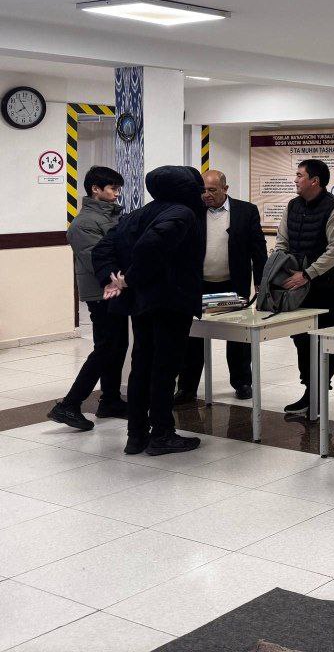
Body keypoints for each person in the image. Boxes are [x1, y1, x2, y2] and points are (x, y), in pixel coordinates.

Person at [93, 165, 207, 456]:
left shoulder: (137, 214)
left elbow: (102, 249)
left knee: (141, 367)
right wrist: (130, 278)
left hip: (142, 304)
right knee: (165, 369)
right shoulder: (183, 213)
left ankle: (136, 435)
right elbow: (151, 245)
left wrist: (113, 278)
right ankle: (162, 434)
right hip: (170, 302)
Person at [175, 169, 268, 403]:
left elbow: (258, 248)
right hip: (199, 285)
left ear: (225, 189)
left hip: (231, 284)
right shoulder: (192, 211)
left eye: (212, 190)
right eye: (203, 190)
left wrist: (261, 281)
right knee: (192, 337)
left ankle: (242, 382)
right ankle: (186, 387)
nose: (206, 195)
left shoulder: (246, 211)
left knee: (237, 336)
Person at [47, 166, 128, 431]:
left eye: (118, 189)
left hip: (117, 292)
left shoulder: (111, 216)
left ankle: (110, 400)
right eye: (113, 188)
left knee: (118, 346)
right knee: (106, 348)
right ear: (95, 189)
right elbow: (99, 261)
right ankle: (69, 405)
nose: (117, 194)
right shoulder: (84, 224)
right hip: (102, 293)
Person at [274, 159, 334, 414]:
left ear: (315, 181)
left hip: (328, 285)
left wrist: (308, 274)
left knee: (327, 337)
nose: (295, 180)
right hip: (297, 283)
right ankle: (309, 388)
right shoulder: (293, 206)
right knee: (301, 337)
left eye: (300, 175)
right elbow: (282, 240)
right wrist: (281, 266)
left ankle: (319, 388)